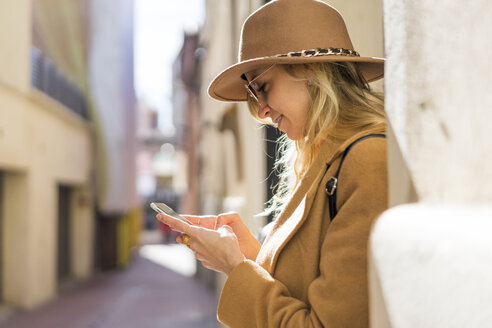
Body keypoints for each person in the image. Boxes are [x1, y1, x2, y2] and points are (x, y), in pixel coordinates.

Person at [156, 0, 388, 326]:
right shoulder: (325, 161)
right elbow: (300, 290)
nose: (261, 111)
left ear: (310, 69)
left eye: (262, 87)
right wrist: (248, 257)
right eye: (252, 95)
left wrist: (235, 268)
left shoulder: (366, 161)